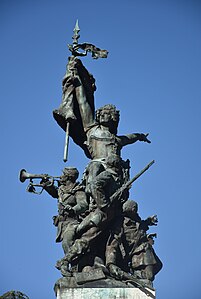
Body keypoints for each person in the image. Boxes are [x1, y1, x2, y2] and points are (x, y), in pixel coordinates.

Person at [41, 167, 89, 276]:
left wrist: (73, 209)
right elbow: (54, 193)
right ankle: (74, 267)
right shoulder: (61, 189)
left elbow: (83, 205)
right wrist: (46, 184)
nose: (61, 176)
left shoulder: (78, 190)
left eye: (63, 174)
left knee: (67, 241)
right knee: (66, 244)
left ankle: (73, 267)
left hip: (73, 222)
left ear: (68, 176)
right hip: (62, 224)